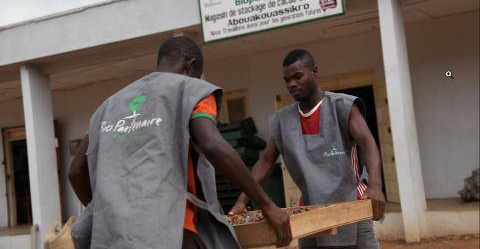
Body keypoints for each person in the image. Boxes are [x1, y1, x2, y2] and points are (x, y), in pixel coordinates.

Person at [68, 36, 292, 249]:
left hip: (112, 238)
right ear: (190, 66)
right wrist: (267, 205)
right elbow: (212, 145)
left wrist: (109, 214)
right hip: (169, 232)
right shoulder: (190, 90)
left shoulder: (108, 106)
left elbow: (76, 171)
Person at [230, 49, 385, 249]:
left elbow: (367, 142)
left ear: (315, 72)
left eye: (298, 76)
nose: (292, 84)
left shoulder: (342, 106)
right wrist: (242, 200)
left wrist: (375, 184)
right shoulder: (283, 120)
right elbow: (266, 161)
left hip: (352, 208)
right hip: (310, 213)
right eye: (287, 80)